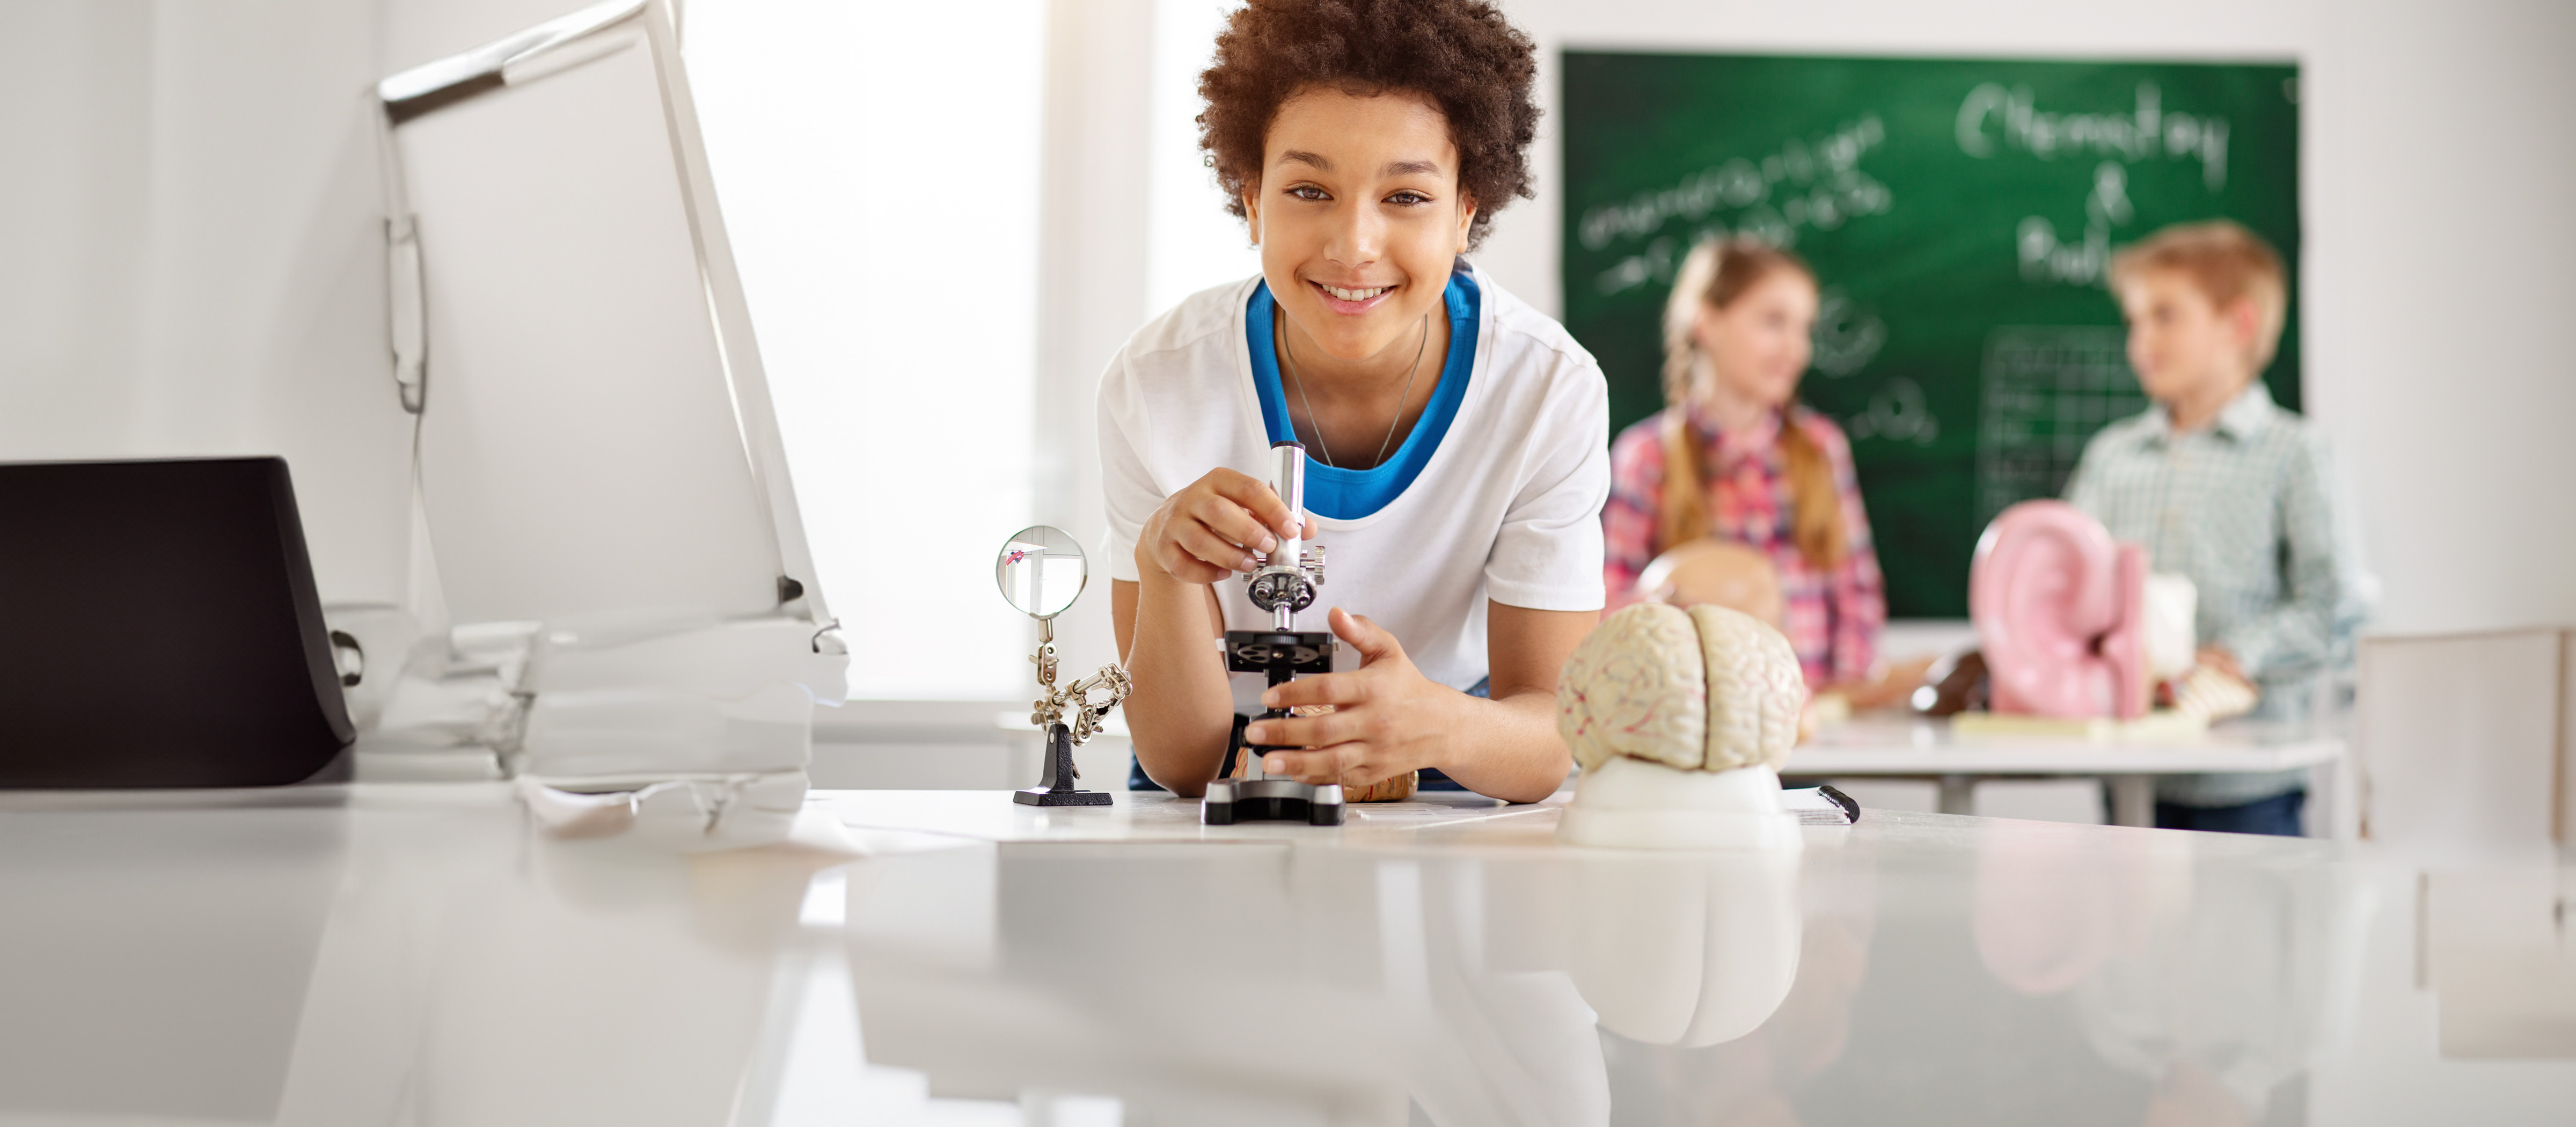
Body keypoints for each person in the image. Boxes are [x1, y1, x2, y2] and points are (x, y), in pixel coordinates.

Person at [1100, 0, 1608, 803]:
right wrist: (1162, 566)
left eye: (1406, 197)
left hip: (1457, 768)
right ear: (1251, 199)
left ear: (1466, 211)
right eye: (1309, 189)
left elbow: (1550, 738)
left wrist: (1429, 726)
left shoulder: (1546, 388)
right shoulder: (1158, 382)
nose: (1354, 246)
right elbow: (1181, 760)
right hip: (1221, 792)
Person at [2064, 219, 2370, 836]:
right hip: (2128, 778)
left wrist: (2238, 654)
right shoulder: (2112, 456)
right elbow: (2071, 590)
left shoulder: (2294, 452)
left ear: (2239, 325)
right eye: (2135, 321)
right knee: (2126, 931)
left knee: (2246, 933)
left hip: (2249, 788)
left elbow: (2334, 602)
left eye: (2166, 316)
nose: (2140, 341)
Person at [1601, 237, 1895, 698]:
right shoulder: (1646, 457)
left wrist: (1840, 697)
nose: (1795, 349)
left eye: (1804, 328)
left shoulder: (1821, 449)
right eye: (1773, 322)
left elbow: (1857, 596)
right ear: (1707, 322)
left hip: (1812, 720)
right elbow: (1607, 607)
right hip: (1694, 725)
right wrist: (1670, 603)